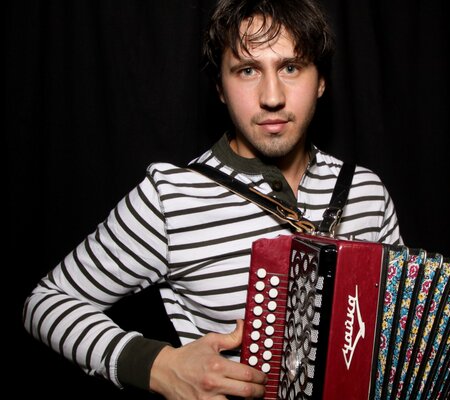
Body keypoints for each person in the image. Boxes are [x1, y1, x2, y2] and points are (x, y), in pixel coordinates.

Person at [22, 0, 402, 399]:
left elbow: (396, 337)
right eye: (247, 70)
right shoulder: (171, 197)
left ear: (321, 80)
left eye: (291, 67)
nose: (272, 97)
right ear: (220, 87)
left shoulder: (366, 191)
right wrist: (159, 366)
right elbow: (46, 303)